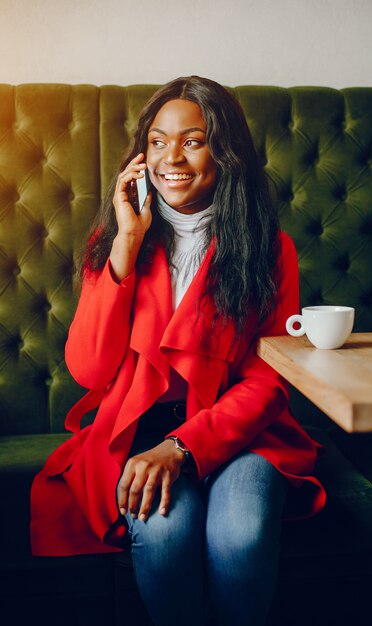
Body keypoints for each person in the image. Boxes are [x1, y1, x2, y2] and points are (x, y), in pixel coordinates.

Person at [31, 76, 326, 626]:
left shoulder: (269, 247)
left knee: (240, 535)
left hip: (240, 434)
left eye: (193, 140)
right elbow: (88, 368)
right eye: (158, 141)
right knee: (166, 536)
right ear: (141, 154)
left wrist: (184, 447)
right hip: (138, 434)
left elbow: (268, 380)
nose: (173, 158)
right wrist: (126, 241)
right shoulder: (116, 243)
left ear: (226, 152)